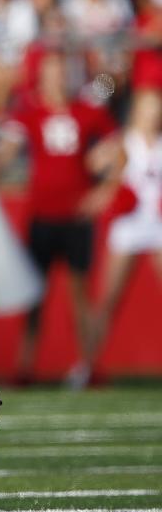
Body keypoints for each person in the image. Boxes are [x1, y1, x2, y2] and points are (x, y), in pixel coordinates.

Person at [0, 50, 117, 385]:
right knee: (34, 295)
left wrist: (104, 191)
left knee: (79, 293)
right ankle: (25, 366)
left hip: (76, 217)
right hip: (42, 216)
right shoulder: (29, 111)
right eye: (51, 71)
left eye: (61, 71)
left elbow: (120, 150)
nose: (57, 78)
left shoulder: (89, 111)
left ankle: (89, 366)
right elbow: (6, 150)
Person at [80, 89, 162, 387]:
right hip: (128, 226)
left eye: (156, 108)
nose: (153, 114)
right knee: (107, 300)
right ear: (137, 110)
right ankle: (87, 366)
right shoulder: (125, 141)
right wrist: (111, 179)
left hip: (157, 226)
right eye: (148, 107)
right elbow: (93, 162)